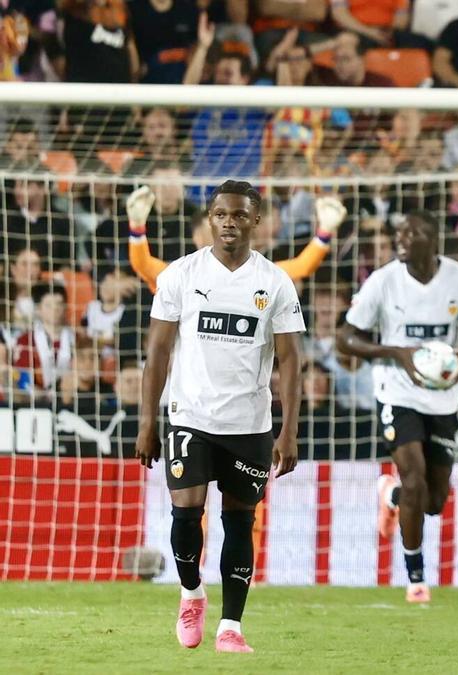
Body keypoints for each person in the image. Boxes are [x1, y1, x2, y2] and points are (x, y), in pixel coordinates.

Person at [135, 180, 306, 653]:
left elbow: (291, 359)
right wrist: (147, 422)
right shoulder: (180, 275)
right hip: (189, 416)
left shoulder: (273, 282)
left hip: (249, 426)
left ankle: (231, 626)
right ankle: (191, 592)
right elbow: (158, 351)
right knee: (186, 514)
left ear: (256, 221)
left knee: (239, 520)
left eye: (239, 215)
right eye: (220, 214)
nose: (229, 222)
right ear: (210, 219)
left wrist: (288, 429)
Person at [336, 210, 458, 604]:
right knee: (415, 477)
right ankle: (416, 578)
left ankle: (391, 496)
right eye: (397, 233)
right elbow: (345, 338)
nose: (401, 239)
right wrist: (395, 353)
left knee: (432, 501)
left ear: (432, 240)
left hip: (444, 397)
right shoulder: (382, 282)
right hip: (396, 391)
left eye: (410, 233)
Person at [124, 185, 347, 293]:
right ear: (196, 237)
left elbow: (302, 267)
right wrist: (136, 227)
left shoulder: (254, 272)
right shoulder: (184, 273)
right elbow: (144, 266)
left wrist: (325, 231)